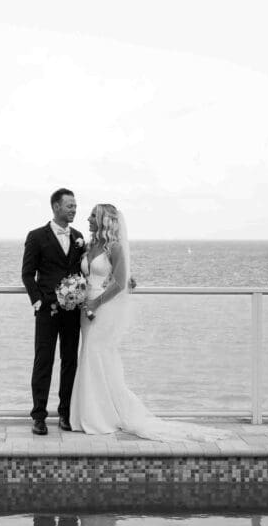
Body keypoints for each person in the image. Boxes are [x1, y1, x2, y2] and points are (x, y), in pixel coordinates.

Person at [69, 203, 227, 441]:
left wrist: (96, 302)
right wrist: (76, 293)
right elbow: (92, 275)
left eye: (93, 215)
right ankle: (90, 412)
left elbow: (119, 282)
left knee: (98, 354)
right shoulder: (91, 245)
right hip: (86, 308)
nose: (88, 219)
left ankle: (103, 416)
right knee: (89, 356)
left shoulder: (115, 247)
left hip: (102, 308)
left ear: (103, 220)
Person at [21, 188, 85, 436]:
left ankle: (65, 414)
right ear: (56, 207)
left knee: (70, 361)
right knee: (43, 361)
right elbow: (27, 274)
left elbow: (85, 271)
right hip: (46, 311)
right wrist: (37, 302)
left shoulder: (79, 237)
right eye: (70, 206)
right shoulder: (36, 236)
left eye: (75, 206)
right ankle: (38, 416)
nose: (74, 210)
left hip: (72, 311)